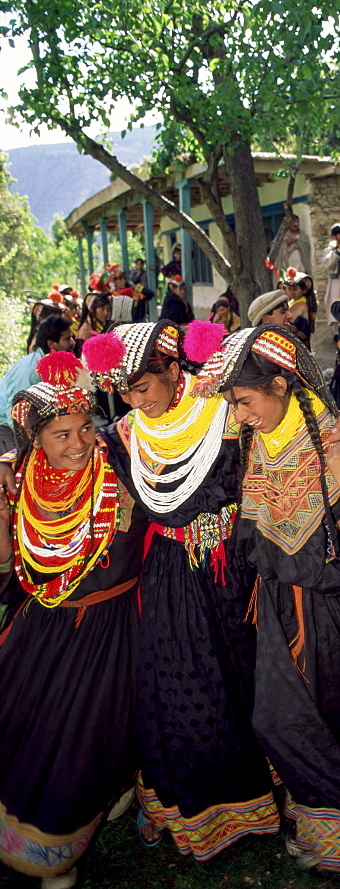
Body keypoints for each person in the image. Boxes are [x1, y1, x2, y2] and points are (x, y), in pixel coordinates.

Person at [82, 321, 340, 860]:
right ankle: (192, 809)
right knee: (175, 685)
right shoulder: (124, 434)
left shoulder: (224, 409)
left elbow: (300, 417)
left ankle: (266, 798)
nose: (133, 401)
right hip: (169, 571)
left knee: (247, 678)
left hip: (237, 567)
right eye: (123, 392)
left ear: (175, 371)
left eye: (142, 387)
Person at [203, 325, 340, 873]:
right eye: (233, 402)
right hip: (279, 606)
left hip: (339, 610)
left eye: (245, 400)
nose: (240, 413)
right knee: (305, 716)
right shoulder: (257, 438)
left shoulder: (338, 438)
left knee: (334, 714)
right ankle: (339, 819)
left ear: (281, 384)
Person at [0, 353, 147, 889]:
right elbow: (13, 574)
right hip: (43, 628)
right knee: (26, 728)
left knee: (84, 736)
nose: (79, 443)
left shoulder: (121, 467)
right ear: (35, 440)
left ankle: (59, 852)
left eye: (86, 426)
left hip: (112, 629)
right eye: (61, 434)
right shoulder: (20, 486)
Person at [0, 315, 75, 454]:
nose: (72, 342)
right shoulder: (32, 371)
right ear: (51, 344)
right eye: (67, 339)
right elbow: (15, 413)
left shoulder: (53, 365)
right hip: (8, 429)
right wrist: (26, 449)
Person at [283, 270, 317, 348]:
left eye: (295, 289)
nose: (292, 292)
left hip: (298, 342)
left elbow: (296, 326)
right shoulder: (292, 302)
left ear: (304, 290)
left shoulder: (302, 305)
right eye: (290, 289)